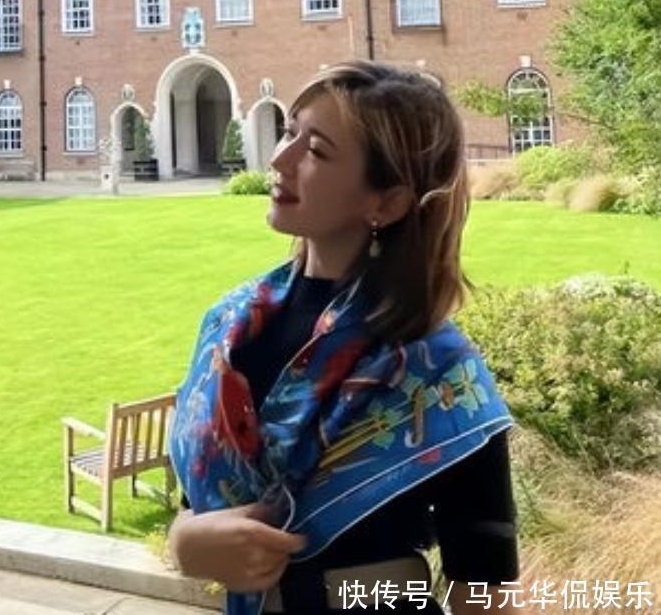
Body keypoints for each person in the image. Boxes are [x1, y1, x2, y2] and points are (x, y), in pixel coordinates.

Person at [166, 60, 526, 615]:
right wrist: (184, 541)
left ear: (386, 202)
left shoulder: (438, 370)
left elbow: (484, 589)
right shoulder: (227, 328)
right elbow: (194, 503)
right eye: (289, 133)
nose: (280, 159)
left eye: (315, 150)